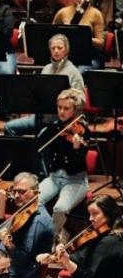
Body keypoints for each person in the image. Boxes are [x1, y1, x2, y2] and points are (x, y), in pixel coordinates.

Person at [4, 34, 85, 137]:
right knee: (9, 127)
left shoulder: (74, 72)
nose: (56, 51)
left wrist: (69, 100)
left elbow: (81, 100)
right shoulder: (46, 69)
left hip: (60, 121)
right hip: (42, 118)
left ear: (66, 50)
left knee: (42, 136)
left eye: (60, 48)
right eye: (53, 48)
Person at [37, 88, 90, 238]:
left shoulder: (82, 131)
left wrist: (76, 148)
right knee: (33, 200)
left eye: (66, 108)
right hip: (54, 177)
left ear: (75, 110)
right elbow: (37, 145)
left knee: (60, 208)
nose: (61, 112)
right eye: (59, 107)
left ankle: (50, 237)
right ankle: (45, 229)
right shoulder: (54, 127)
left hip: (75, 180)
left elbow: (77, 164)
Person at [53, 0, 104, 72]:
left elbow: (100, 43)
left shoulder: (96, 14)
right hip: (67, 56)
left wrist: (82, 37)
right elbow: (52, 35)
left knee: (77, 72)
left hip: (89, 58)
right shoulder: (62, 12)